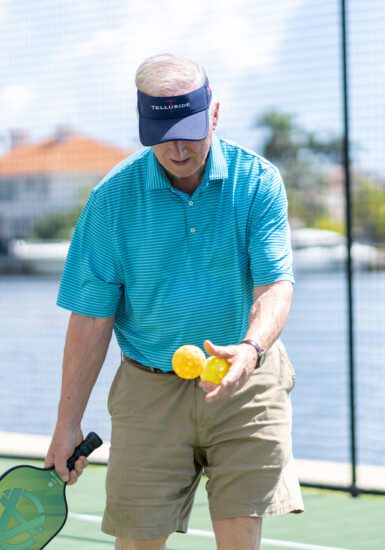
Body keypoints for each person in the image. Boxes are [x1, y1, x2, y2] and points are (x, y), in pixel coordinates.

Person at [45, 53, 304, 550]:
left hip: (247, 381)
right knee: (138, 541)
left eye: (188, 129)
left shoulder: (259, 182)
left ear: (215, 113)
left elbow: (276, 284)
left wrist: (249, 351)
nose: (177, 147)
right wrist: (66, 424)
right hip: (148, 386)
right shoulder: (110, 200)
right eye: (162, 132)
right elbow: (91, 319)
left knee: (239, 537)